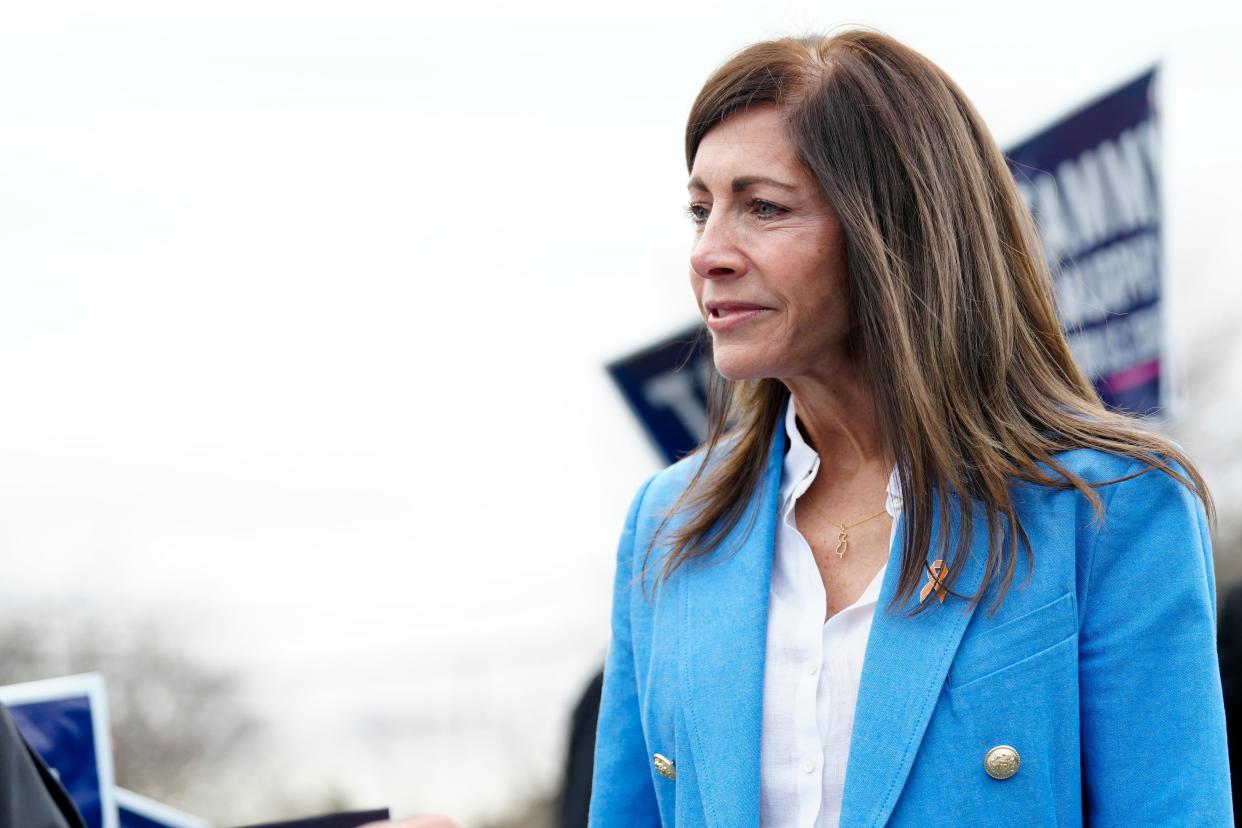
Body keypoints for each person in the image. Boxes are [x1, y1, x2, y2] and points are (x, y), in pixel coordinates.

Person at [588, 30, 1231, 827]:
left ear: (893, 230)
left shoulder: (1111, 509)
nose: (709, 252)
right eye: (700, 209)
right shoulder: (668, 525)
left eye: (763, 207)